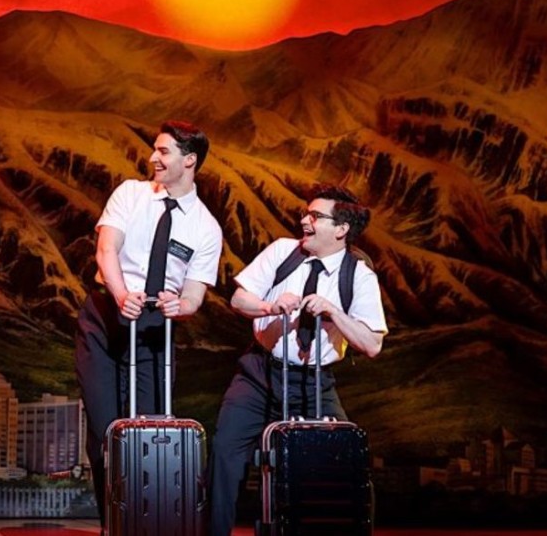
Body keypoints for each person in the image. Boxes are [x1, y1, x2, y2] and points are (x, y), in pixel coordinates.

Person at [208, 184, 387, 536]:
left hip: (314, 383)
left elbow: (372, 345)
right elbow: (239, 300)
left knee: (347, 460)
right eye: (306, 213)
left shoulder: (359, 276)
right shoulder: (283, 251)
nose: (305, 221)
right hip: (259, 374)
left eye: (315, 216)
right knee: (225, 452)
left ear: (341, 228)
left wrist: (334, 312)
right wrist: (269, 306)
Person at [74, 120, 223, 527]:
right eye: (154, 149)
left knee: (150, 431)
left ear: (189, 160)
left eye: (163, 151)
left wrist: (181, 305)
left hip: (155, 330)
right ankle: (113, 524)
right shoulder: (131, 194)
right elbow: (106, 250)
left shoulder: (205, 227)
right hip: (107, 316)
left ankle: (148, 523)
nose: (153, 158)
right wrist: (122, 295)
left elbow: (194, 294)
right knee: (105, 431)